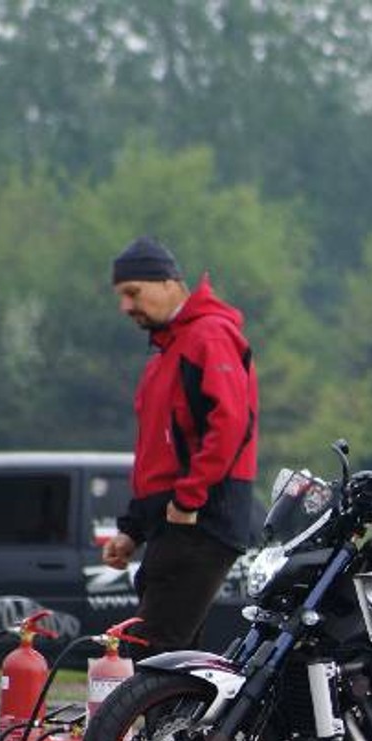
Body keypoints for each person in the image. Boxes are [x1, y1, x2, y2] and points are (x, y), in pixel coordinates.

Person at [100, 236, 259, 653]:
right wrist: (133, 529)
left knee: (153, 652)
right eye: (121, 296)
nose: (126, 307)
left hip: (199, 522)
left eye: (133, 293)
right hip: (179, 523)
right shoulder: (167, 352)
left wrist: (189, 500)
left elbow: (230, 423)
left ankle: (159, 719)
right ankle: (185, 720)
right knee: (175, 658)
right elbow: (160, 456)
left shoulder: (208, 336)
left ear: (170, 282)